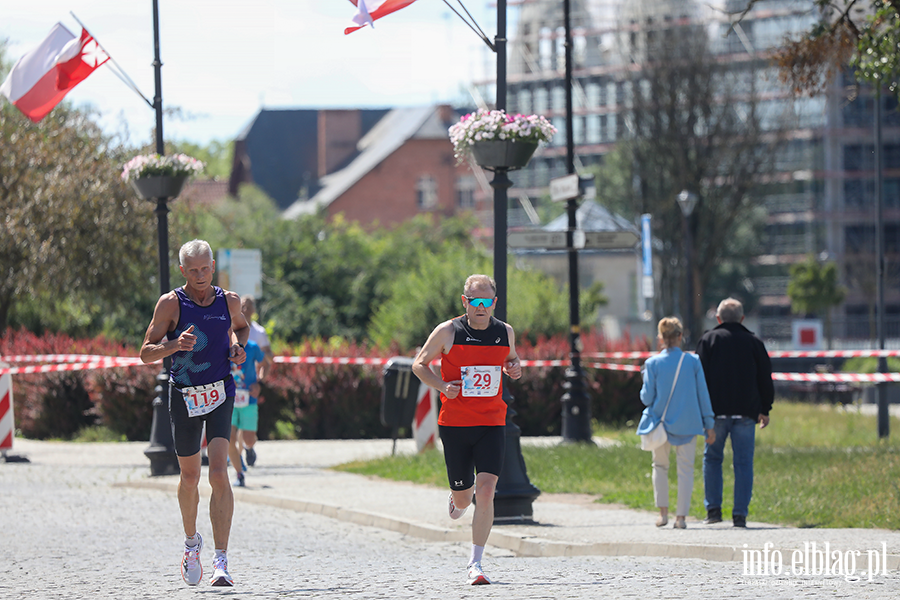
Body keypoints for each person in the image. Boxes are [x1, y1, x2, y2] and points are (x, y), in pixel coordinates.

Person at [140, 239, 249, 587]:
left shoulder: (228, 300)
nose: (200, 276)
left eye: (206, 269)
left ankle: (221, 560)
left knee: (218, 472)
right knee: (190, 478)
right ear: (183, 271)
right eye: (194, 270)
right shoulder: (171, 303)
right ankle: (191, 544)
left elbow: (241, 326)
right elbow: (145, 352)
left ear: (213, 267)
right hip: (184, 396)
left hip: (220, 391)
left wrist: (238, 347)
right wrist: (174, 345)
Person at [412, 274, 522, 586]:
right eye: (475, 301)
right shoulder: (449, 331)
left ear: (494, 303)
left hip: (491, 422)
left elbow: (512, 361)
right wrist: (444, 386)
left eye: (487, 301)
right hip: (456, 424)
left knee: (486, 491)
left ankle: (476, 563)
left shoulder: (505, 332)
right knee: (464, 499)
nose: (481, 307)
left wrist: (515, 368)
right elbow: (419, 364)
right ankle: (457, 498)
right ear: (465, 302)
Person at [695, 298, 774, 528]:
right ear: (742, 318)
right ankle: (739, 515)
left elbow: (699, 378)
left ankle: (713, 511)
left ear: (718, 319)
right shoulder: (754, 342)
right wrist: (765, 409)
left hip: (714, 414)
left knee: (712, 459)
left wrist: (700, 410)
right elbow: (764, 378)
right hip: (746, 413)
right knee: (743, 463)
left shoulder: (708, 340)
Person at [637, 317, 715, 529]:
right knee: (686, 470)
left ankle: (663, 514)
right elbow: (702, 394)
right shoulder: (693, 362)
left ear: (660, 338)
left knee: (660, 466)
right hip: (688, 424)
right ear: (680, 336)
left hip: (660, 425)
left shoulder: (652, 364)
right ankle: (681, 518)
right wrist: (709, 423)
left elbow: (646, 398)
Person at [236, 295, 273, 469]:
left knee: (248, 434)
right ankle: (237, 463)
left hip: (250, 383)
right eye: (243, 305)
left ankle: (247, 447)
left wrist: (260, 381)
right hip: (232, 388)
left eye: (249, 305)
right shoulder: (229, 332)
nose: (245, 308)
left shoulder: (258, 333)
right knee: (231, 430)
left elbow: (267, 358)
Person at [228, 337, 265, 487]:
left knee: (248, 439)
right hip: (229, 398)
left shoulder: (252, 346)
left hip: (248, 399)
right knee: (229, 438)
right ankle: (239, 473)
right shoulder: (223, 345)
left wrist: (259, 383)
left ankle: (249, 449)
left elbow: (265, 364)